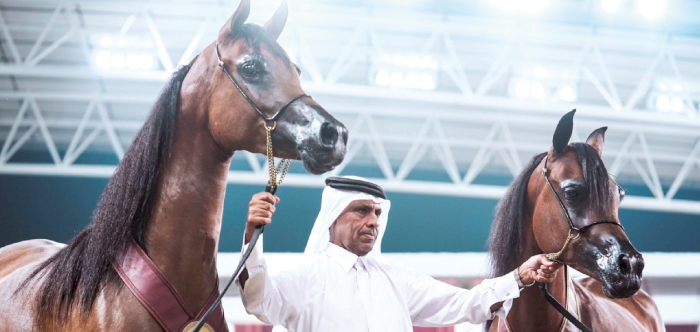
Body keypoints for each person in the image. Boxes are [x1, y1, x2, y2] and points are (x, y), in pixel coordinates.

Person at [235, 176, 561, 332]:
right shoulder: (306, 278)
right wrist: (252, 236)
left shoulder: (395, 280)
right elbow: (259, 300)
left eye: (377, 213)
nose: (373, 222)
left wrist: (519, 276)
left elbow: (465, 303)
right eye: (362, 211)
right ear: (333, 217)